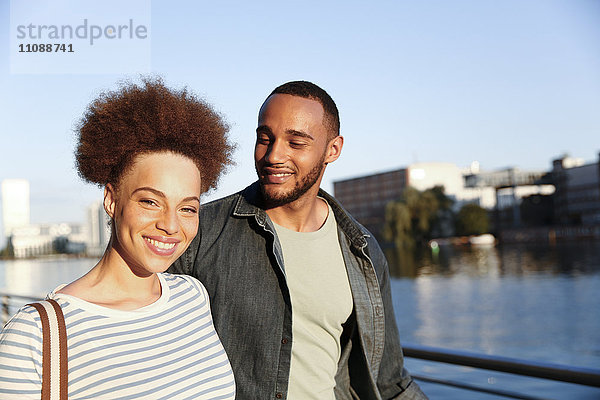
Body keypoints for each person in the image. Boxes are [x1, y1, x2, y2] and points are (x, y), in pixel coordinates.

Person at [169, 81, 427, 399]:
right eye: (265, 139)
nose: (274, 155)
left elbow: (388, 379)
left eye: (296, 142)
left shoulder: (361, 249)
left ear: (332, 150)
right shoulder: (200, 230)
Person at [0, 79, 236, 399]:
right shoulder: (36, 335)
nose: (170, 225)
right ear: (112, 201)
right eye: (150, 202)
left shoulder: (193, 296)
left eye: (187, 208)